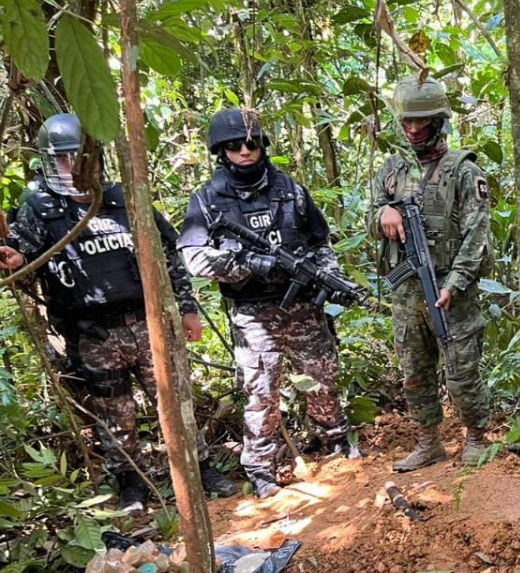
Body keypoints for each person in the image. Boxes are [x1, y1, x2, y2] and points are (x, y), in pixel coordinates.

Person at [0, 113, 235, 512]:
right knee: (115, 413)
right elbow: (23, 256)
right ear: (46, 160)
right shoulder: (40, 207)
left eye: (78, 157)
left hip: (148, 323)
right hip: (93, 334)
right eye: (61, 158)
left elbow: (169, 254)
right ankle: (132, 483)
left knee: (174, 400)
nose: (70, 166)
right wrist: (12, 254)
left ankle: (200, 469)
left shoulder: (122, 198)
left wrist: (188, 308)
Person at [178, 109, 357, 499]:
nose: (245, 150)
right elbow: (193, 256)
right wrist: (245, 264)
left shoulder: (289, 190)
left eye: (252, 143)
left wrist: (327, 275)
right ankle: (260, 466)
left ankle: (336, 442)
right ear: (221, 150)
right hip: (253, 314)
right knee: (261, 390)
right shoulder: (209, 199)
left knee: (322, 376)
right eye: (235, 145)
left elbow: (319, 242)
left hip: (303, 306)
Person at [365, 76, 494, 472]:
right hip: (406, 291)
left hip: (449, 290)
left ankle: (475, 437)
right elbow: (369, 218)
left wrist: (453, 284)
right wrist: (383, 214)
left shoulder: (464, 172)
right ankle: (428, 442)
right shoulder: (392, 170)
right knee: (414, 372)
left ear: (439, 122)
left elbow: (477, 238)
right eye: (408, 123)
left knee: (462, 370)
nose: (415, 130)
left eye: (423, 123)